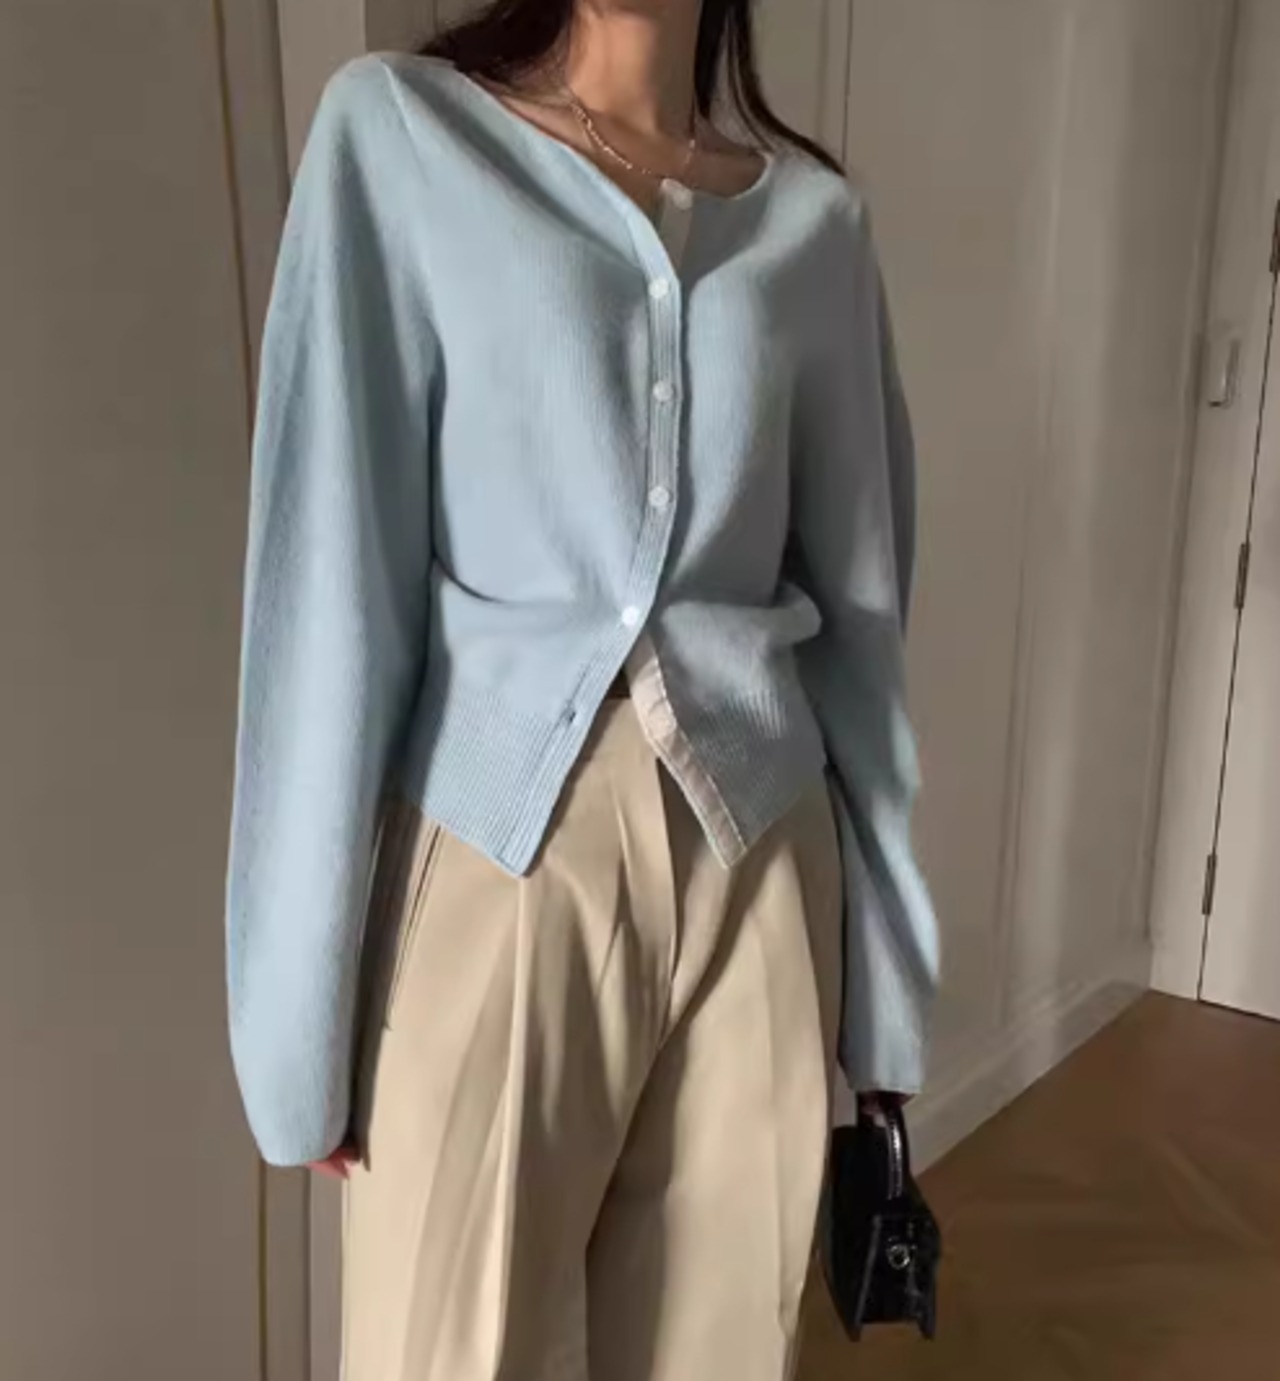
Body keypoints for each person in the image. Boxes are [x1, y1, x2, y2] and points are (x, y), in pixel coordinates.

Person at [225, 1, 938, 1377]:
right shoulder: (402, 136)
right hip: (502, 862)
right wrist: (296, 1024)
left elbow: (864, 630)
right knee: (446, 1352)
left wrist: (887, 998)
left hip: (762, 859)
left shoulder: (815, 227)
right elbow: (329, 582)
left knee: (724, 1353)